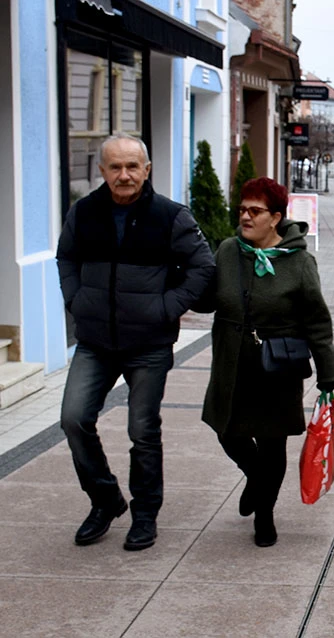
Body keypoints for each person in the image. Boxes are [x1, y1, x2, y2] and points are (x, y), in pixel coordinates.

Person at [56, 133, 215, 550]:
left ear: (147, 170)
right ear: (102, 170)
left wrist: (167, 308)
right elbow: (67, 257)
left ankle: (145, 514)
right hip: (94, 342)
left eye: (132, 167)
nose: (124, 175)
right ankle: (105, 499)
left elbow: (204, 266)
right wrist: (74, 299)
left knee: (142, 430)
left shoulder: (171, 216)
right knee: (73, 419)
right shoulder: (84, 212)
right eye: (115, 167)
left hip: (148, 343)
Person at [200, 177, 334, 547]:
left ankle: (265, 514)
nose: (245, 216)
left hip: (276, 368)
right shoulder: (228, 251)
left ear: (275, 217)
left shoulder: (299, 262)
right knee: (227, 432)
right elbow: (208, 297)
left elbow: (317, 321)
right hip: (232, 364)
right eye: (242, 209)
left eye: (255, 211)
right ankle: (256, 479)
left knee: (273, 444)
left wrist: (328, 372)